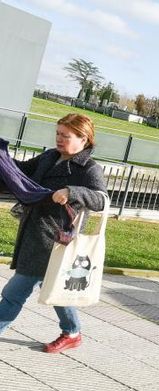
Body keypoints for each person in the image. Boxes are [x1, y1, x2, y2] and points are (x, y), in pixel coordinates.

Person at [0, 113, 107, 353]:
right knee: (56, 289)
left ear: (83, 139)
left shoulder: (89, 168)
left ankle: (71, 332)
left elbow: (101, 200)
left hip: (57, 241)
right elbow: (21, 173)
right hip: (35, 233)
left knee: (14, 292)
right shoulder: (50, 157)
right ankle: (72, 332)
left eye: (65, 136)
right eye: (57, 133)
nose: (59, 139)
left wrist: (72, 191)